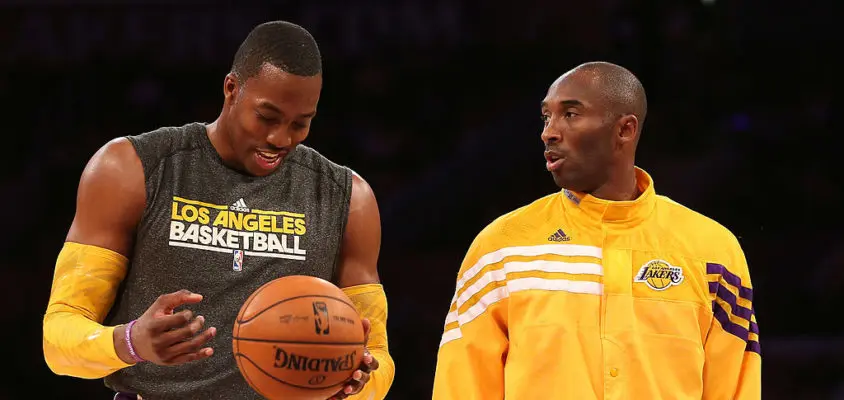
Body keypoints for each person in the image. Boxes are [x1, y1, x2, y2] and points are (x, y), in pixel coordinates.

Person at [42, 21, 394, 400]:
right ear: (231, 88)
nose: (280, 139)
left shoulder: (348, 197)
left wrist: (357, 384)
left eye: (300, 124)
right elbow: (58, 338)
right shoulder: (130, 169)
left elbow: (378, 357)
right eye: (267, 117)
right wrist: (131, 342)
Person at [432, 61, 760, 399]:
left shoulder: (712, 250)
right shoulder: (501, 248)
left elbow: (736, 387)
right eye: (546, 117)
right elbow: (461, 386)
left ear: (625, 130)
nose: (549, 131)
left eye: (570, 114)